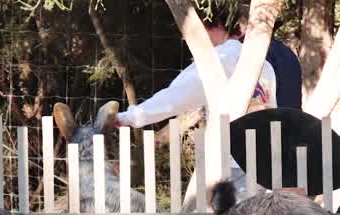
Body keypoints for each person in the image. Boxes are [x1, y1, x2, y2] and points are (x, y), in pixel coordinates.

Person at [114, 11, 278, 131]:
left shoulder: (217, 59)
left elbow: (176, 97)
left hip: (231, 159)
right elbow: (272, 113)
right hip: (265, 161)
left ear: (217, 25)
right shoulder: (263, 64)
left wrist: (127, 118)